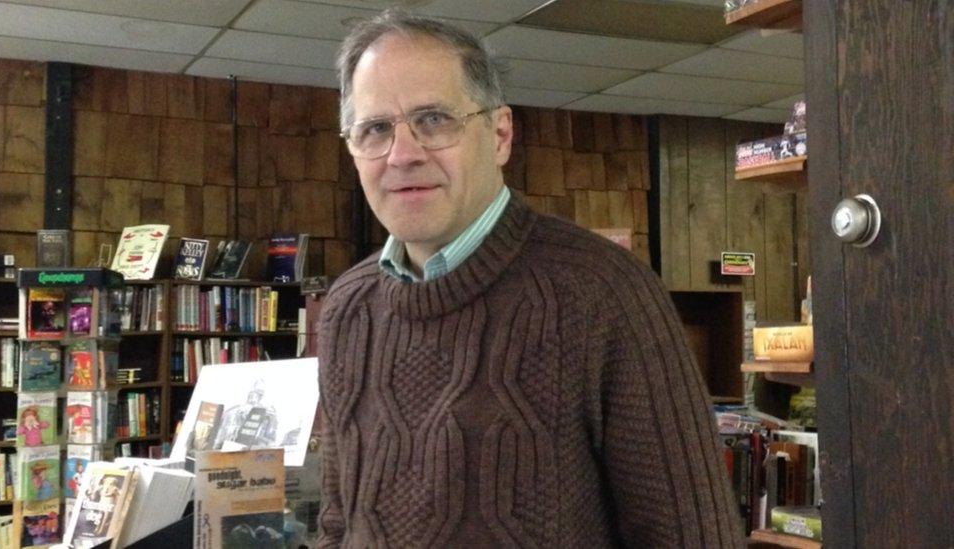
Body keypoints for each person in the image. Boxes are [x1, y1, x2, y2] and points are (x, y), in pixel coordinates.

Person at [317, 9, 742, 548]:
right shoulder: (346, 309)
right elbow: (337, 522)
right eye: (375, 129)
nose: (403, 154)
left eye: (434, 120)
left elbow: (693, 537)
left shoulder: (604, 293)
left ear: (499, 135)